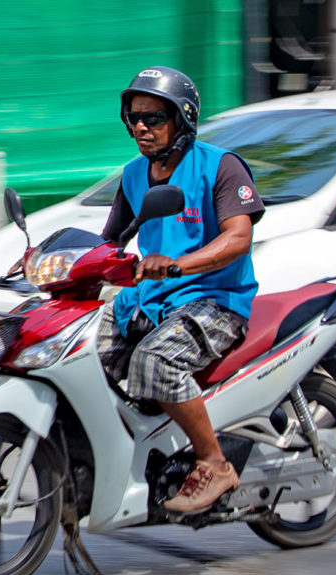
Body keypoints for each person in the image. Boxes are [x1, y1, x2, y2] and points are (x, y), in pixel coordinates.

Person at [97, 66, 264, 513]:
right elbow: (108, 242)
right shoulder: (134, 175)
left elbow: (237, 238)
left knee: (155, 360)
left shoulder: (220, 166)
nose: (140, 127)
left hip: (214, 299)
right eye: (134, 118)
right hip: (151, 300)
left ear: (182, 120)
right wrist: (51, 262)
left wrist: (177, 265)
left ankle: (214, 463)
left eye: (153, 118)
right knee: (84, 351)